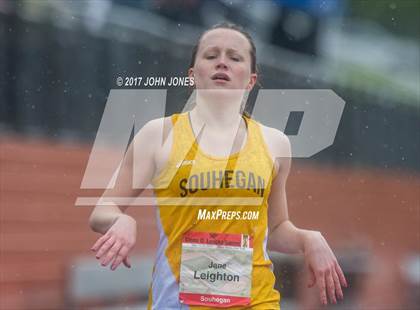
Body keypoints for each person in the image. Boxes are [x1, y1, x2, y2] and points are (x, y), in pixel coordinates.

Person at [89, 22, 347, 309]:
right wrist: (121, 220)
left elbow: (276, 229)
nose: (222, 62)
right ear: (192, 74)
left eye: (234, 57)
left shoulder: (275, 143)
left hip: (256, 301)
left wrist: (308, 239)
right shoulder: (158, 135)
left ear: (250, 80)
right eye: (211, 55)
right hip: (179, 302)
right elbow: (102, 210)